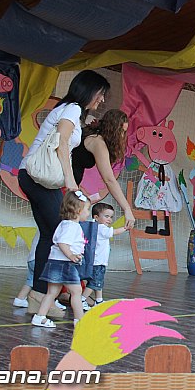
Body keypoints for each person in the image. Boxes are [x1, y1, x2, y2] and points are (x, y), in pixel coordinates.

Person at [18, 72, 134, 316]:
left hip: (34, 178)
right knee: (62, 234)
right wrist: (71, 183)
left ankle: (39, 297)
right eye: (101, 94)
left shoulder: (72, 112)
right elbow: (61, 145)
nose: (102, 100)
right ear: (89, 91)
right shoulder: (72, 110)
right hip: (40, 179)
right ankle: (50, 295)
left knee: (51, 235)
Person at [31, 191, 90, 328]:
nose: (88, 213)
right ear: (78, 210)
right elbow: (63, 243)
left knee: (52, 292)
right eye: (87, 209)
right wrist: (71, 256)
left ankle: (40, 317)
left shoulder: (64, 224)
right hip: (65, 264)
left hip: (55, 262)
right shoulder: (72, 226)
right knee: (76, 292)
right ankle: (80, 320)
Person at [81, 202, 127, 308]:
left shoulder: (94, 226)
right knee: (94, 283)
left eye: (111, 217)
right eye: (106, 216)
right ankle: (81, 299)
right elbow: (113, 232)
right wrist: (125, 228)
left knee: (98, 282)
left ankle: (99, 300)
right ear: (96, 217)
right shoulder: (100, 228)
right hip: (98, 262)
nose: (109, 219)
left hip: (97, 261)